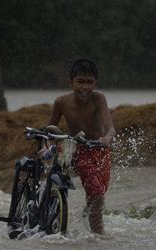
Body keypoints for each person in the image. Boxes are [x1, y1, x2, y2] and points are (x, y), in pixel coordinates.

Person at [47, 58, 116, 234]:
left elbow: (110, 128)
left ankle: (87, 223)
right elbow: (50, 130)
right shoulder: (61, 102)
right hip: (80, 150)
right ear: (70, 83)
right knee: (98, 195)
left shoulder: (99, 98)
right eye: (80, 82)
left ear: (96, 83)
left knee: (96, 197)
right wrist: (46, 146)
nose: (85, 87)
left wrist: (107, 138)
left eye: (89, 82)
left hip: (100, 150)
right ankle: (99, 237)